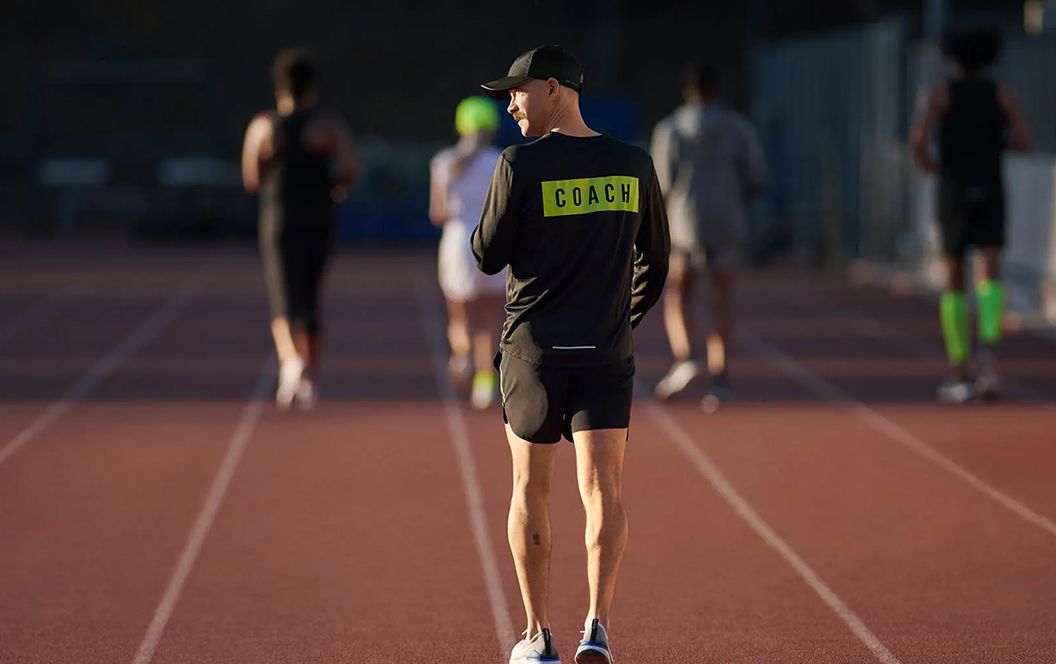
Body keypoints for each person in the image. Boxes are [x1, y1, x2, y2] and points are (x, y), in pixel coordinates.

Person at [473, 45, 669, 664]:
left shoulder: (519, 165)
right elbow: (656, 262)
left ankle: (536, 637)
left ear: (554, 88)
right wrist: (620, 321)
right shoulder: (634, 164)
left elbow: (485, 254)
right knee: (603, 490)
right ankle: (597, 628)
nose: (509, 104)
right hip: (605, 355)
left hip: (533, 353)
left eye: (517, 91)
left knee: (530, 489)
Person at [910, 26, 1031, 404]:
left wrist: (930, 163)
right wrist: (994, 144)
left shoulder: (940, 94)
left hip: (954, 191)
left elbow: (918, 139)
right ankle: (990, 361)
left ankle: (960, 369)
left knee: (953, 278)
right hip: (990, 189)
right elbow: (1025, 141)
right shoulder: (1002, 95)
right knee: (990, 275)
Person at [241, 49, 360, 409]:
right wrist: (335, 187)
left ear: (278, 86)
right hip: (319, 215)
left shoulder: (264, 125)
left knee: (282, 294)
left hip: (279, 215)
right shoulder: (326, 125)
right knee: (310, 296)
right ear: (312, 87)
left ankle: (291, 360)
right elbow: (351, 166)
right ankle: (308, 380)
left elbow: (251, 178)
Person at [650, 63, 765, 408]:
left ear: (687, 91)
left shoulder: (670, 130)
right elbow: (756, 176)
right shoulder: (738, 128)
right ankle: (719, 379)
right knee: (721, 300)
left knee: (677, 296)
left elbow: (661, 182)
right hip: (727, 223)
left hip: (684, 225)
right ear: (716, 90)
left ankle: (685, 357)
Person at [429, 96, 506, 409]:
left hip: (458, 243)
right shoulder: (502, 160)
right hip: (493, 241)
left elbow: (437, 213)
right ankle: (486, 381)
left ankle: (461, 356)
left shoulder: (444, 162)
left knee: (459, 312)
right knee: (491, 316)